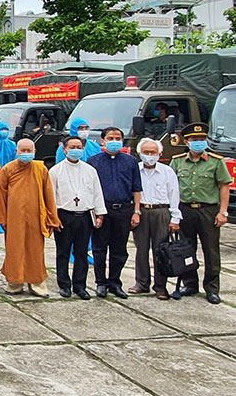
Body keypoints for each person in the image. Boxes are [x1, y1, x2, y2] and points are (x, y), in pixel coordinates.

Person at [171, 122, 232, 304]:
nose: (198, 142)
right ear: (186, 142)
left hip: (208, 210)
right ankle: (190, 283)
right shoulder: (178, 161)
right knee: (186, 249)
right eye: (194, 140)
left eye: (201, 139)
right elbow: (172, 188)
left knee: (211, 251)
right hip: (185, 210)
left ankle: (212, 288)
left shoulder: (216, 161)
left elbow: (224, 187)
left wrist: (223, 212)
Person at [0, 138, 60, 298]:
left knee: (35, 250)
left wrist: (52, 218)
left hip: (36, 217)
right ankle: (14, 283)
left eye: (28, 151)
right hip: (13, 217)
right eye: (22, 151)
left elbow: (48, 195)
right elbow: (1, 195)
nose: (25, 153)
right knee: (14, 250)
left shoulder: (41, 169)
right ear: (16, 152)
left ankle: (37, 283)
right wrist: (2, 219)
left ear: (34, 152)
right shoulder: (8, 169)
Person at [87, 127, 141, 299]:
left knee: (119, 250)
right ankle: (100, 283)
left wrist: (136, 211)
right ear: (102, 141)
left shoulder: (130, 161)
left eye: (118, 138)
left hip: (124, 209)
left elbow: (136, 188)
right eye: (111, 137)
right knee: (99, 249)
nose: (114, 140)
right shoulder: (93, 161)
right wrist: (95, 212)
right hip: (102, 210)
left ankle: (115, 283)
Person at [49, 136, 106, 299]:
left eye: (79, 147)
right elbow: (51, 196)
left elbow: (97, 193)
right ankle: (64, 285)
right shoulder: (55, 171)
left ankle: (80, 286)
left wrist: (99, 214)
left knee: (82, 252)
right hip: (64, 215)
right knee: (63, 252)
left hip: (85, 216)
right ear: (65, 149)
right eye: (72, 147)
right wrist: (53, 218)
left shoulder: (90, 170)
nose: (76, 150)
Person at [132, 138, 181, 300]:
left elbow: (174, 195)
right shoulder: (135, 170)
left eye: (153, 152)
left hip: (161, 212)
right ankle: (141, 283)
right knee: (141, 249)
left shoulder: (167, 172)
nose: (150, 155)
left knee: (161, 250)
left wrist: (175, 218)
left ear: (159, 154)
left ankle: (160, 286)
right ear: (140, 154)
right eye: (146, 152)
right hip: (141, 212)